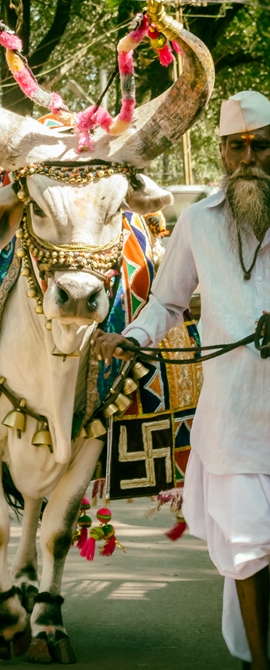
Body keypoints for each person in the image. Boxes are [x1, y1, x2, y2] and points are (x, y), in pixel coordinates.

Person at [92, 90, 270, 670]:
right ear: (221, 151)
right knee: (248, 549)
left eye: (261, 146)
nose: (248, 158)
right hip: (234, 421)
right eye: (237, 147)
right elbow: (166, 304)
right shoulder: (196, 223)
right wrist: (133, 338)